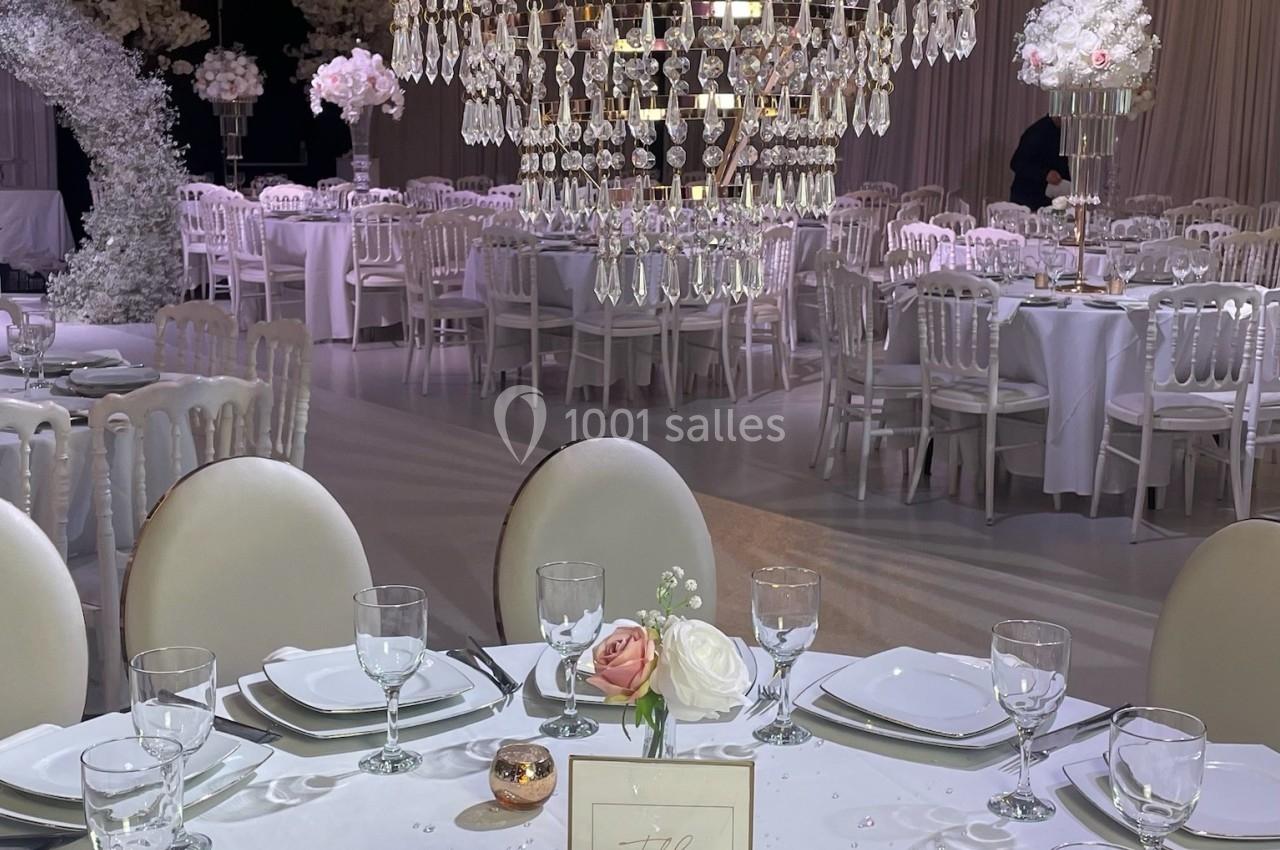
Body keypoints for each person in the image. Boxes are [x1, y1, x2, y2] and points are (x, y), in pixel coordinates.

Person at [1009, 115, 1070, 210]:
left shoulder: (1061, 133)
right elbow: (1016, 163)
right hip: (1027, 199)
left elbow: (1061, 165)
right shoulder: (1037, 132)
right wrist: (1045, 174)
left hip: (1047, 200)